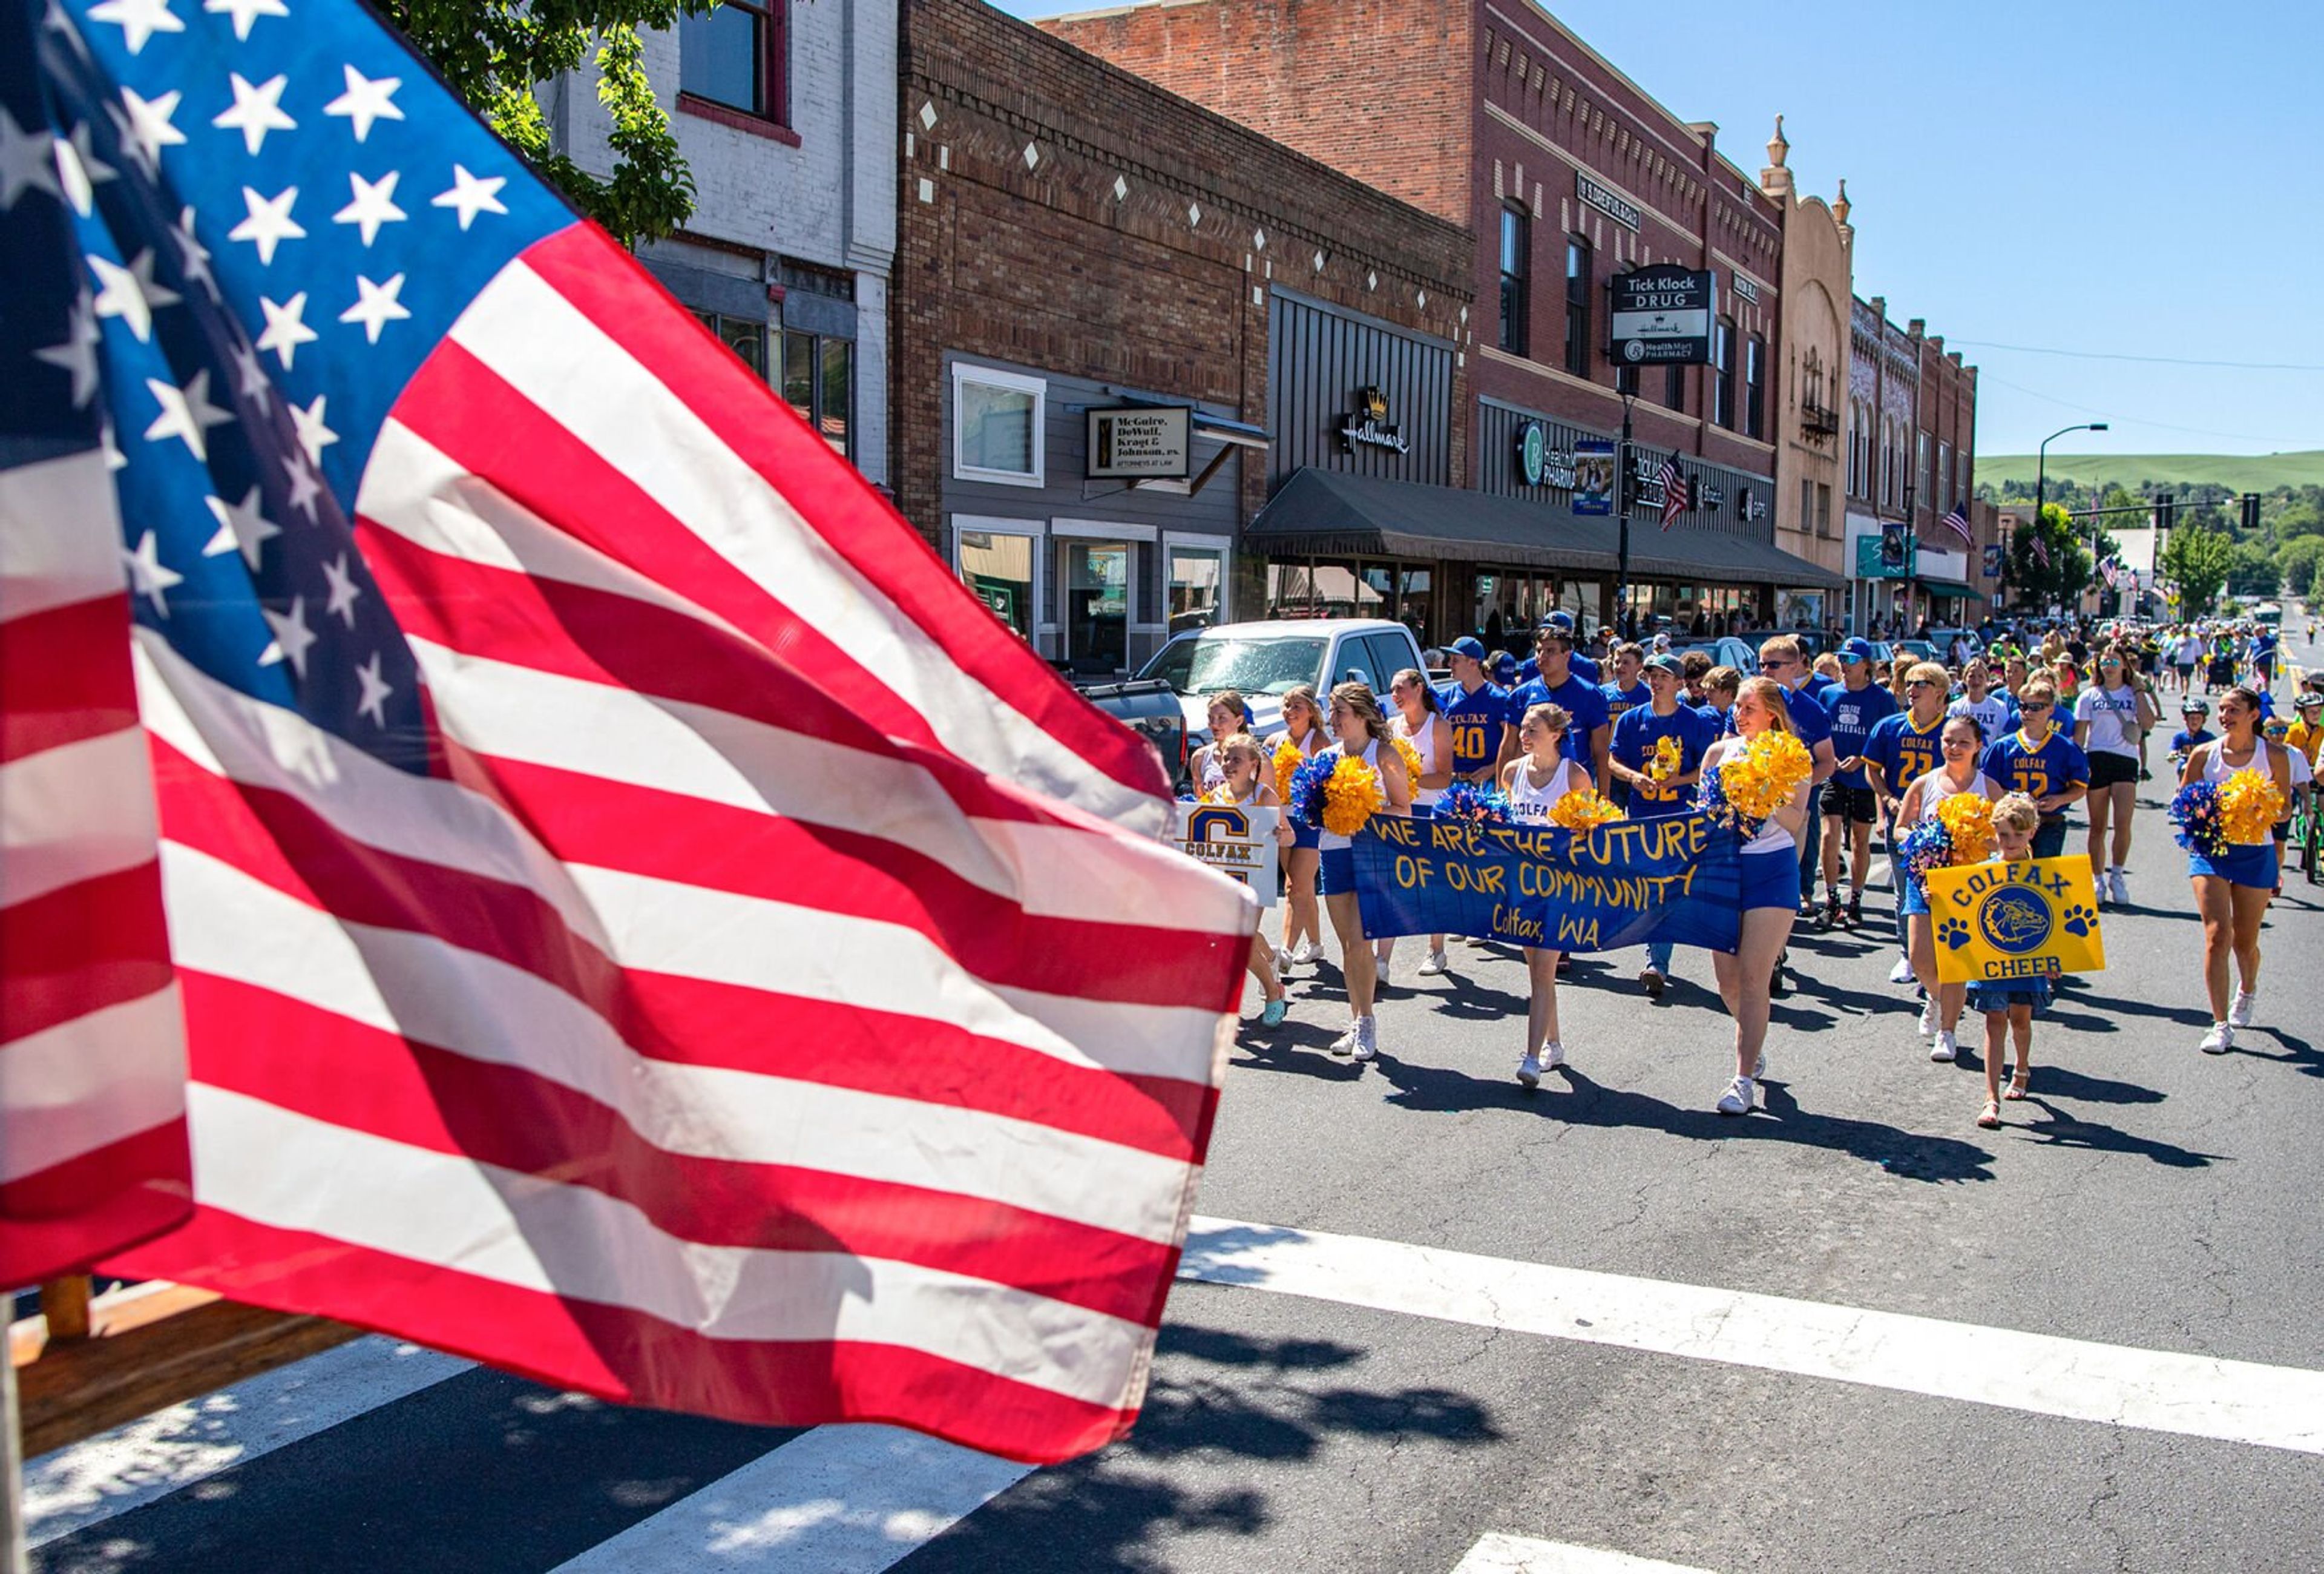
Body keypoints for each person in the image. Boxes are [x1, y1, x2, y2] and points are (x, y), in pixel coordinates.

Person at [1698, 677, 1812, 1116]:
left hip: (1771, 870)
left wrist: (1761, 795)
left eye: (1748, 708)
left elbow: (1794, 819)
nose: (1739, 714)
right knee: (1727, 985)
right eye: (1738, 708)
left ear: (1772, 715)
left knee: (1752, 978)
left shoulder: (1792, 756)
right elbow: (1703, 817)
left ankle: (1742, 1078)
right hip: (1724, 870)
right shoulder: (1717, 753)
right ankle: (1754, 1041)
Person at [2182, 687, 2293, 1054]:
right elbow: (2183, 803)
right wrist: (2205, 814)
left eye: (2234, 709)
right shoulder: (2204, 755)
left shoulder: (2274, 755)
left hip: (2255, 852)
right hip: (2211, 852)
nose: (2225, 715)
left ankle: (2246, 989)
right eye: (2222, 709)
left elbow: (2286, 810)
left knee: (2245, 943)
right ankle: (2219, 1024)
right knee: (2217, 934)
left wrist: (2257, 808)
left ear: (2253, 714)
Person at [1897, 714, 2005, 1063]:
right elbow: (1900, 830)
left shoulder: (1989, 788)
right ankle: (1937, 997)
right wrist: (1926, 840)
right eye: (1948, 741)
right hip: (1926, 880)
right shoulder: (1925, 783)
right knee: (1921, 959)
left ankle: (1947, 1032)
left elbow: (2003, 839)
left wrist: (1971, 839)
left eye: (1963, 742)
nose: (1954, 748)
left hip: (1969, 885)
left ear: (1978, 747)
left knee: (1956, 962)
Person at [1315, 681, 1413, 1062]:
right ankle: (1357, 1019)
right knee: (1347, 945)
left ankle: (1367, 1021)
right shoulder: (1328, 756)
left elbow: (1403, 808)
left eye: (1339, 712)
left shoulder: (1384, 753)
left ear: (1361, 716)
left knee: (1360, 942)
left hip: (1372, 855)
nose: (1332, 719)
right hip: (1334, 851)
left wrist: (1362, 813)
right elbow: (1313, 807)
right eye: (1331, 711)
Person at [1610, 652, 1714, 996]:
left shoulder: (1694, 722)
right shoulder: (1631, 719)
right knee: (1645, 887)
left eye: (1664, 677)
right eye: (1652, 675)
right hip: (1640, 816)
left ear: (1680, 683)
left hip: (1678, 818)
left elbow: (1708, 766)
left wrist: (1680, 780)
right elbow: (1613, 760)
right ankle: (1655, 949)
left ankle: (1658, 962)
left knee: (1664, 887)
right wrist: (1634, 777)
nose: (1655, 681)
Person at [1502, 703, 1587, 1086]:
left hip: (1557, 886)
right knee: (1536, 967)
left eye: (1532, 729)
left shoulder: (1574, 775)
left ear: (1555, 734)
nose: (1524, 735)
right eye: (1523, 728)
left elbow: (1590, 831)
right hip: (1520, 884)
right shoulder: (1512, 772)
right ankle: (1554, 1041)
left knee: (1543, 969)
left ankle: (1532, 1057)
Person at [1863, 663, 1952, 983]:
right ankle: (1909, 955)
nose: (1912, 688)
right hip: (1902, 822)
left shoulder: (1953, 731)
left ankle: (1946, 956)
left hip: (1943, 826)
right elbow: (1872, 770)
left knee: (1942, 893)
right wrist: (1886, 799)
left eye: (1921, 684)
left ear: (1940, 692)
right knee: (1905, 892)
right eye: (1909, 682)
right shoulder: (1889, 727)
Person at [1971, 794, 2050, 1129]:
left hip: (2028, 960)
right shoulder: (1980, 873)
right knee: (1994, 1022)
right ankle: (1991, 1098)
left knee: (2020, 1020)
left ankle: (2021, 1068)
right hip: (1992, 962)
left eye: (2019, 835)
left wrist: (2055, 958)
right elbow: (1964, 910)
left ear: (2032, 832)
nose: (2011, 842)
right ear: (1994, 833)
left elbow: (2056, 921)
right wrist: (1938, 898)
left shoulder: (2045, 875)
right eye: (2004, 835)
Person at [1755, 636, 1837, 955]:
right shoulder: (1747, 703)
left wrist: (1798, 792)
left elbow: (1827, 762)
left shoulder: (1810, 710)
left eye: (1773, 665)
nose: (1765, 670)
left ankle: (1777, 950)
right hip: (1750, 809)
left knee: (1783, 877)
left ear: (1795, 667)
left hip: (1792, 811)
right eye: (1761, 664)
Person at [1206, 735, 1292, 1027]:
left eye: (1237, 760)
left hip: (1255, 880)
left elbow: (1289, 834)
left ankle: (1272, 993)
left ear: (1254, 764)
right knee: (1238, 939)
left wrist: (1282, 835)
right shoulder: (1216, 796)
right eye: (1226, 758)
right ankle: (1271, 962)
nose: (1229, 765)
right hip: (1224, 881)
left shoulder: (1264, 795)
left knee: (1240, 940)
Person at [1377, 668, 1456, 981]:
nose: (1395, 696)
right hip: (1398, 810)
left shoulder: (1439, 726)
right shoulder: (1390, 728)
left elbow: (1444, 776)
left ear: (1419, 688)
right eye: (1392, 690)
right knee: (1391, 883)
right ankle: (1382, 960)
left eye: (1401, 689)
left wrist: (1406, 778)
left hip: (1429, 810)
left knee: (1431, 882)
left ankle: (1436, 949)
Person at [1817, 637, 1899, 928]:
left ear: (1867, 665)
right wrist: (1830, 758)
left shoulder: (1881, 698)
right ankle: (1831, 900)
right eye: (1842, 659)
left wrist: (1863, 760)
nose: (1844, 665)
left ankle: (1856, 900)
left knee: (1859, 841)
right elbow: (1820, 733)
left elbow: (1888, 740)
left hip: (1863, 779)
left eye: (1851, 660)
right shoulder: (1828, 694)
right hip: (1834, 775)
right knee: (1829, 836)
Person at [2073, 647, 2156, 906]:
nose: (2109, 666)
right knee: (2098, 826)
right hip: (2097, 758)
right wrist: (2076, 767)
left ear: (2124, 666)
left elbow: (2149, 723)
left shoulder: (2133, 693)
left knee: (2123, 823)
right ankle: (2097, 878)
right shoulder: (2088, 696)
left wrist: (2140, 690)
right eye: (2104, 661)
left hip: (2125, 760)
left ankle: (2117, 875)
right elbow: (2079, 737)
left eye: (2114, 662)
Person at [1982, 680, 2090, 860]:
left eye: (2036, 707)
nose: (2027, 713)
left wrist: (2060, 799)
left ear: (2051, 710)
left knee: (2043, 878)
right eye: (2023, 706)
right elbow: (1987, 784)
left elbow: (2080, 786)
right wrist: (2010, 798)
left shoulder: (2066, 748)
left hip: (2049, 822)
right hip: (2010, 825)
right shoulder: (2002, 747)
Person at [1502, 623, 1612, 792]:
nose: (1542, 657)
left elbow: (1601, 751)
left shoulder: (1590, 695)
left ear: (1567, 655)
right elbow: (1508, 746)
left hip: (1575, 785)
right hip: (1532, 783)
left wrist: (1604, 799)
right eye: (1539, 651)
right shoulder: (1521, 695)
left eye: (1551, 651)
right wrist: (1500, 796)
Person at [1272, 684, 1330, 972]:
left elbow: (1330, 781)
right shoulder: (1275, 741)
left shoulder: (1318, 740)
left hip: (1309, 823)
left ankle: (1285, 951)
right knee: (1301, 888)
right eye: (1287, 705)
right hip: (1284, 822)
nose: (1290, 711)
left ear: (1311, 711)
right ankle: (1316, 943)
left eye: (1297, 706)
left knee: (1295, 886)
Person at [1439, 637, 1512, 786]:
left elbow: (1514, 742)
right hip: (1455, 781)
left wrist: (1493, 769)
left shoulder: (1498, 698)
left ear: (1473, 662)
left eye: (1455, 660)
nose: (1449, 664)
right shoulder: (1447, 697)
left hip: (1487, 781)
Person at [1189, 690, 1250, 798]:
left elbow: (1271, 806)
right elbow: (1200, 801)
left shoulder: (1257, 758)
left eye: (1222, 718)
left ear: (1239, 721)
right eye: (1211, 718)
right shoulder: (1200, 757)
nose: (1214, 724)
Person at [1947, 658, 2015, 742]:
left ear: (1987, 680)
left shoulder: (1999, 707)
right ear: (1964, 679)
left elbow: (2004, 739)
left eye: (1981, 676)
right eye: (1972, 676)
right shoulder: (1955, 708)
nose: (1976, 681)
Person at [2168, 698, 2216, 774]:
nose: (2195, 721)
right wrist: (2173, 755)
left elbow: (2217, 750)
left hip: (2203, 766)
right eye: (2192, 718)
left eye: (2198, 718)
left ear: (2204, 721)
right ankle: (2183, 786)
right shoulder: (2180, 737)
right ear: (2185, 719)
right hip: (2186, 765)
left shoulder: (2209, 738)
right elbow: (2174, 750)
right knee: (2185, 768)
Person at [2173, 628, 2202, 694]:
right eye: (2185, 630)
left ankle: (2185, 692)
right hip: (2180, 661)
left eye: (2187, 630)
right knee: (2181, 677)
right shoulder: (2178, 639)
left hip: (2190, 661)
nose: (2186, 631)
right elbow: (2174, 649)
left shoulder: (2194, 640)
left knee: (2186, 677)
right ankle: (2183, 690)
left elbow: (2199, 651)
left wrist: (2199, 661)